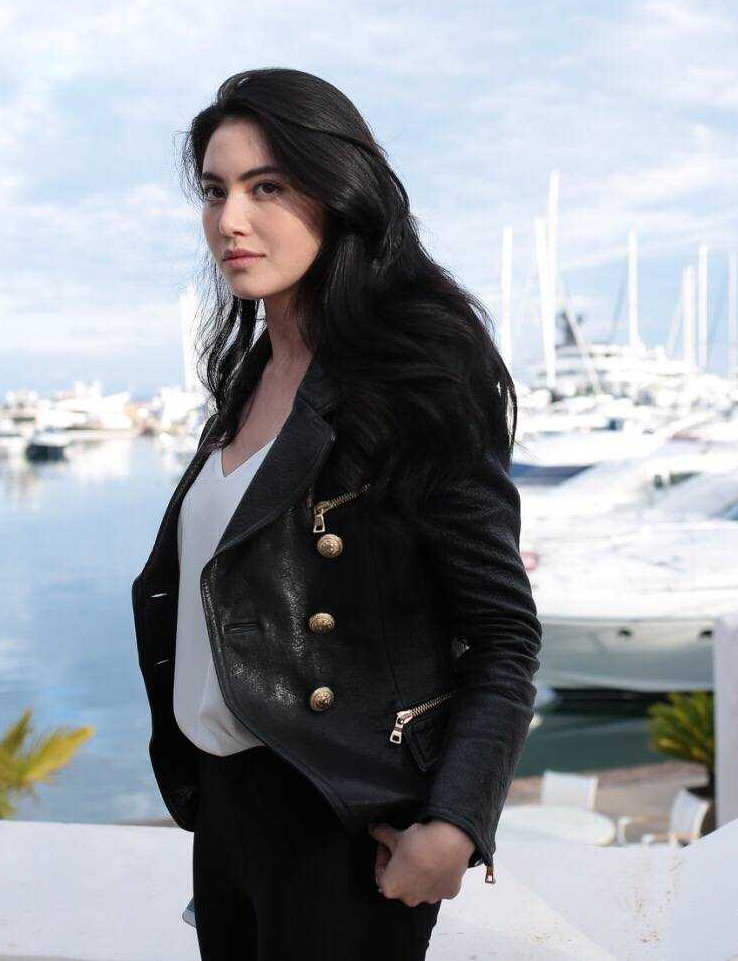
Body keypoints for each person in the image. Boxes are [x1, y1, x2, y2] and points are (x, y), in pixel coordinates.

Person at [129, 68, 542, 960]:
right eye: (215, 191)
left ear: (338, 191)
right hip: (225, 811)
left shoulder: (419, 375)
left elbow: (503, 633)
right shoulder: (249, 376)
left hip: (341, 821)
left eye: (267, 187)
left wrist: (456, 821)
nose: (230, 220)